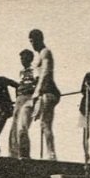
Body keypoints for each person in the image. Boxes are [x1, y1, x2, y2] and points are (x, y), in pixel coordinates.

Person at [29, 29, 60, 160]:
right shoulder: (39, 55)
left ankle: (51, 153)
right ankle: (50, 152)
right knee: (44, 123)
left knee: (45, 123)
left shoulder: (45, 52)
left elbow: (46, 72)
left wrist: (37, 91)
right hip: (44, 92)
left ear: (38, 40)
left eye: (32, 41)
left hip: (48, 91)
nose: (32, 44)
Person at [9, 50, 38, 159]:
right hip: (19, 99)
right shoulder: (21, 72)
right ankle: (14, 154)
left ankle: (24, 154)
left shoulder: (34, 70)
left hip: (29, 97)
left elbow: (38, 83)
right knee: (14, 127)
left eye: (24, 58)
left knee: (22, 126)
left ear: (30, 58)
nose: (22, 60)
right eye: (21, 58)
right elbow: (18, 86)